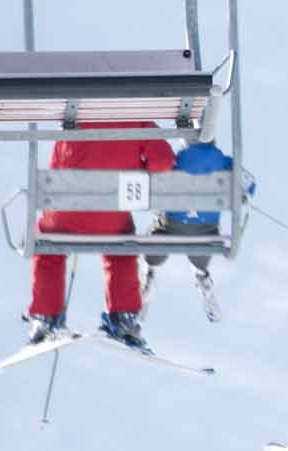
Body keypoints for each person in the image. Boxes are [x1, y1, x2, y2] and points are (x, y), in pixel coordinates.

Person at [25, 122, 171, 349]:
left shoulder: (73, 108)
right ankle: (123, 318)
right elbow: (163, 161)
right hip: (110, 214)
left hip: (64, 211)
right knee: (121, 248)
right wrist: (140, 168)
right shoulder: (138, 113)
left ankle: (44, 317)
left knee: (48, 244)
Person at [142, 139, 248, 323]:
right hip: (206, 235)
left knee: (158, 231)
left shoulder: (175, 159)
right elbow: (249, 186)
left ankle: (149, 272)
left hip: (172, 229)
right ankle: (201, 275)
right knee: (201, 242)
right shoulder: (225, 162)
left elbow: (152, 182)